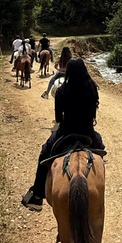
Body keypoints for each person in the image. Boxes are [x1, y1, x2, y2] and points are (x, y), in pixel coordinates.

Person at [22, 58, 104, 211]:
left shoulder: (61, 90)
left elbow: (59, 118)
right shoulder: (92, 88)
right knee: (101, 148)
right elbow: (93, 113)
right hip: (87, 131)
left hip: (65, 131)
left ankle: (37, 195)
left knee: (44, 152)